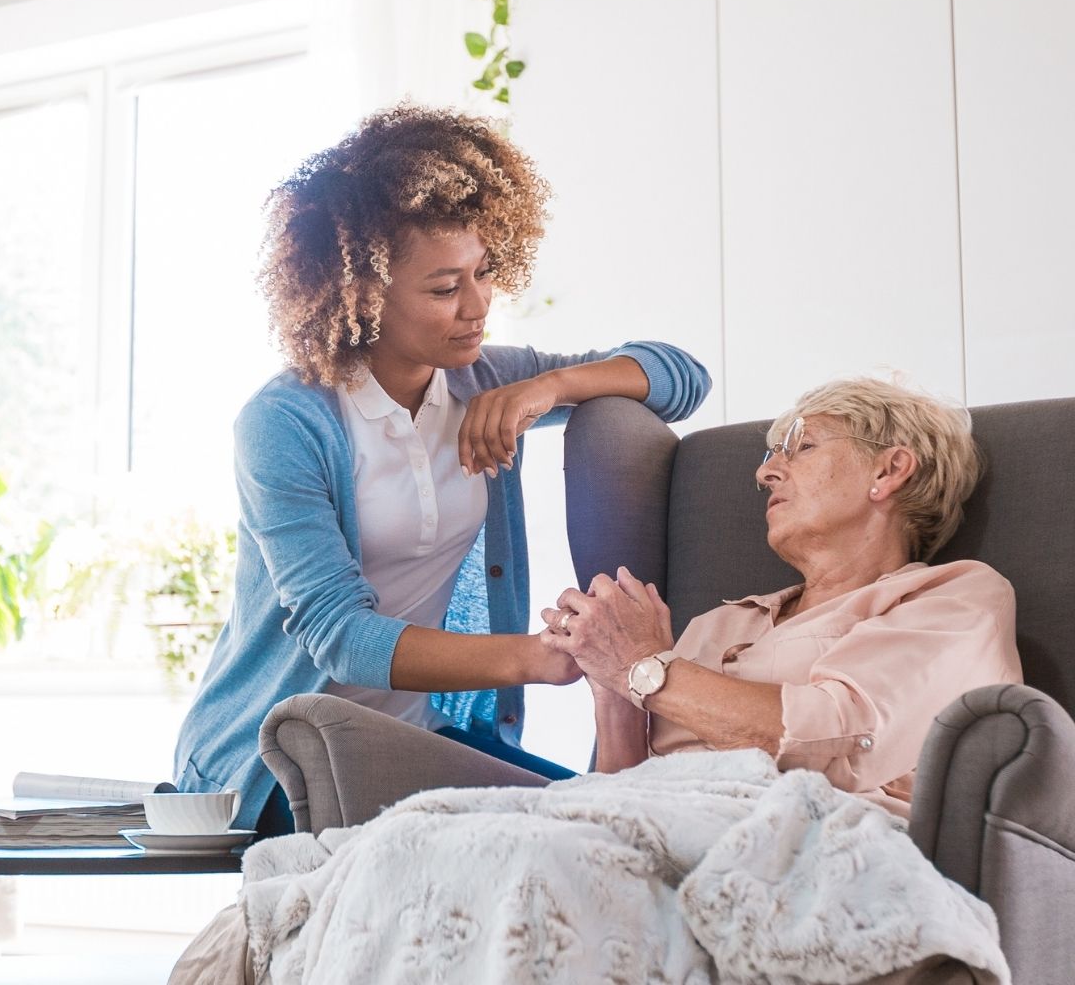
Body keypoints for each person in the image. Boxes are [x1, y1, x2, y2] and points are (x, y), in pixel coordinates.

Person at [173, 103, 711, 834]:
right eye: (443, 287)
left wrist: (548, 387)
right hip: (279, 761)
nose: (479, 305)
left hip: (415, 744)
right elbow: (340, 635)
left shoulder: (482, 379)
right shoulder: (286, 422)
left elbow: (682, 377)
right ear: (359, 294)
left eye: (485, 272)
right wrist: (538, 657)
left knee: (595, 823)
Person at [542, 377, 1021, 817]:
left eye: (801, 446)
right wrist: (612, 687)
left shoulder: (953, 600)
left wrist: (639, 666)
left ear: (889, 469)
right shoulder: (717, 625)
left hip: (822, 842)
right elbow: (615, 799)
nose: (766, 472)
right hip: (659, 834)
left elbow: (836, 739)